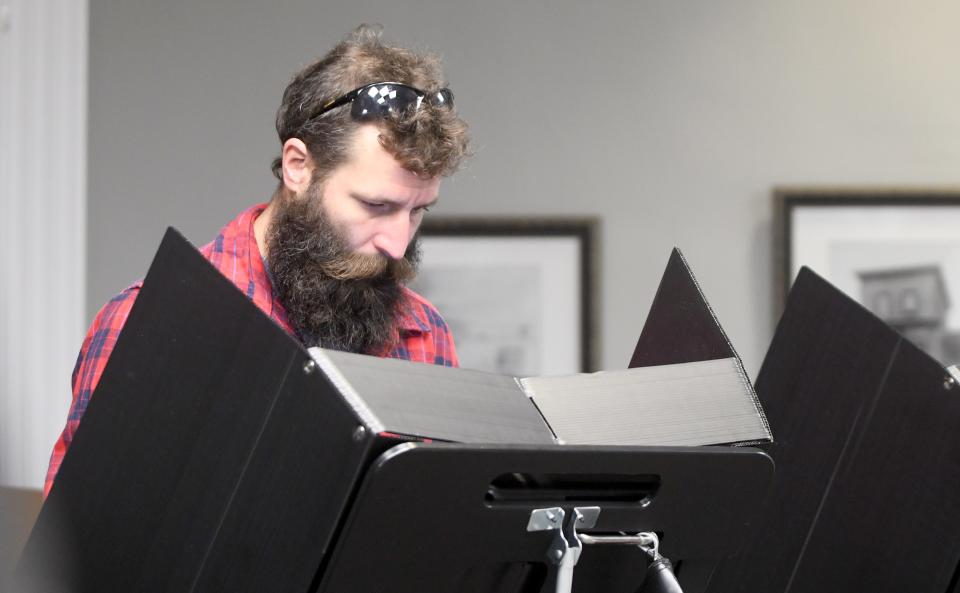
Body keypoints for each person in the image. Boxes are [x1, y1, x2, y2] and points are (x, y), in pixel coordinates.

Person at [43, 25, 470, 497]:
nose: (396, 242)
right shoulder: (149, 321)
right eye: (375, 206)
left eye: (417, 212)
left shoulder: (424, 333)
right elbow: (76, 552)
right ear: (298, 167)